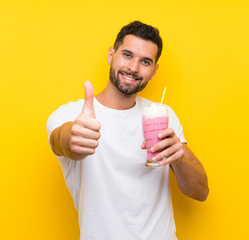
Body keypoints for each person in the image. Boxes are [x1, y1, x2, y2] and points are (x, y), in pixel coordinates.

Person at [46, 21, 209, 240]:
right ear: (111, 55)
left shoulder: (162, 116)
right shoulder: (72, 115)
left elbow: (201, 192)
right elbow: (61, 141)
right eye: (127, 55)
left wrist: (178, 160)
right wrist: (72, 138)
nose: (133, 68)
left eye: (145, 62)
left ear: (154, 71)